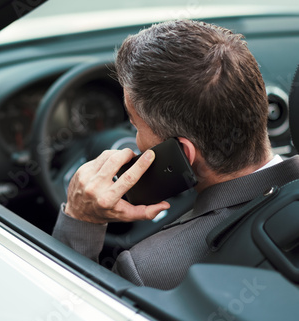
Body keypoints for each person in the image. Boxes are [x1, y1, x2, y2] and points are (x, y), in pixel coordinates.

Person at [52, 19, 299, 290]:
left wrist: (80, 221)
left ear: (182, 152)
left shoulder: (148, 270)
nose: (131, 139)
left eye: (134, 124)